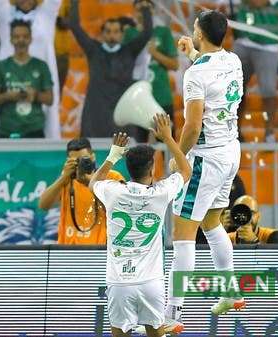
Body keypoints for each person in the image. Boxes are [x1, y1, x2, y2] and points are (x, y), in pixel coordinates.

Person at [165, 10, 246, 332]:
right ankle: (231, 290)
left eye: (194, 29)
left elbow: (193, 124)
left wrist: (178, 157)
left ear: (199, 33)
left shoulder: (195, 75)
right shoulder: (234, 60)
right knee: (212, 222)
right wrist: (193, 54)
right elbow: (212, 72)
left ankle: (172, 316)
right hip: (230, 152)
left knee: (182, 237)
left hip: (205, 158)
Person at [88, 115, 191, 337]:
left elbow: (93, 182)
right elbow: (185, 171)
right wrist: (168, 138)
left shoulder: (113, 192)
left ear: (128, 168)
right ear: (152, 169)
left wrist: (112, 155)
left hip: (119, 283)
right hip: (151, 283)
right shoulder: (161, 193)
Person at [69, 0, 153, 139]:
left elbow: (147, 33)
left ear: (121, 34)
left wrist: (145, 9)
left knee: (124, 156)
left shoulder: (129, 51)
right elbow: (75, 26)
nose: (111, 35)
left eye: (115, 31)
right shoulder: (93, 50)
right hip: (95, 113)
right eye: (108, 31)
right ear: (102, 34)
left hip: (123, 112)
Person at [0, 0, 61, 139]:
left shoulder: (47, 13)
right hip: (9, 81)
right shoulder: (5, 14)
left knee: (49, 121)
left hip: (42, 80)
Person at [38, 138, 124, 245]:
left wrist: (89, 182)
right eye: (76, 161)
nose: (80, 164)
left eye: (84, 159)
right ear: (68, 160)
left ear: (93, 156)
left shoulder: (111, 176)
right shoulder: (66, 179)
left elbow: (121, 209)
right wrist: (63, 178)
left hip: (99, 249)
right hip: (67, 250)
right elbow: (43, 205)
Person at [123, 0, 179, 141]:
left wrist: (154, 54)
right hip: (137, 100)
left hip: (161, 96)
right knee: (139, 145)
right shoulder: (129, 33)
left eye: (147, 8)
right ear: (134, 11)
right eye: (139, 8)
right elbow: (123, 63)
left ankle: (169, 164)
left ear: (153, 11)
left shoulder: (163, 32)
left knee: (167, 143)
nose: (143, 11)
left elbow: (175, 65)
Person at [233, 0, 278, 142]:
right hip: (243, 41)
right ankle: (235, 131)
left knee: (268, 92)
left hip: (268, 44)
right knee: (234, 89)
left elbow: (258, 2)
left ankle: (269, 134)